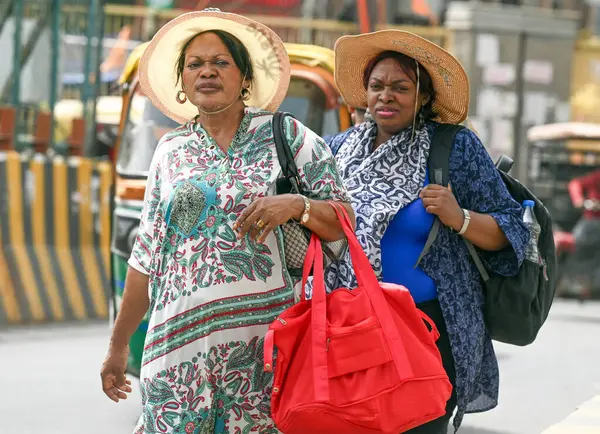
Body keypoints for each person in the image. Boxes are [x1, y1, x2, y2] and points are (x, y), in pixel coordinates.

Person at [100, 9, 353, 434]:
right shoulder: (169, 151)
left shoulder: (287, 136)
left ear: (245, 77)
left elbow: (343, 221)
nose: (207, 72)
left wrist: (295, 205)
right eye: (195, 64)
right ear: (182, 83)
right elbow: (146, 258)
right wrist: (118, 346)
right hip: (175, 346)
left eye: (221, 62)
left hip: (263, 350)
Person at [329, 30, 530, 432]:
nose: (387, 96)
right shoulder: (336, 150)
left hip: (428, 332)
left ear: (423, 96)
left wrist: (460, 218)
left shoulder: (453, 148)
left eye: (401, 87)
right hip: (349, 329)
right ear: (364, 94)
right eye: (377, 86)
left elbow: (514, 231)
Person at [567, 170, 600, 295]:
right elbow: (575, 184)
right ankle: (576, 282)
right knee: (577, 246)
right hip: (590, 222)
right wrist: (579, 201)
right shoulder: (597, 177)